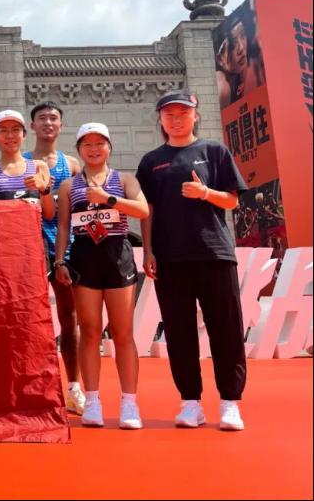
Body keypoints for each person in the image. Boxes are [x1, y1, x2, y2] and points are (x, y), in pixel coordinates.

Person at [137, 91, 248, 431]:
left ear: (195, 116)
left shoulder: (214, 151)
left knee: (226, 329)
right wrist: (148, 250)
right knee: (179, 332)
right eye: (169, 114)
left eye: (183, 113)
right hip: (171, 259)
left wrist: (206, 193)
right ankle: (190, 403)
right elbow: (147, 210)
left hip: (214, 253)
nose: (176, 119)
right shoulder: (151, 161)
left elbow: (232, 201)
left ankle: (230, 403)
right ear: (160, 119)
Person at [55, 122, 149, 429]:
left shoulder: (124, 179)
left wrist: (108, 199)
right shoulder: (69, 186)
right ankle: (93, 400)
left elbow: (142, 211)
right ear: (79, 149)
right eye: (87, 144)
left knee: (122, 333)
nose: (93, 149)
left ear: (109, 147)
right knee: (90, 330)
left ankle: (129, 402)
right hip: (85, 258)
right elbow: (64, 226)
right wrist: (59, 260)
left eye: (99, 143)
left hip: (117, 256)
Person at [24, 101, 85, 415]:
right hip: (28, 248)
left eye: (53, 118)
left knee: (69, 318)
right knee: (28, 320)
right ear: (32, 126)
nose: (48, 123)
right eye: (41, 118)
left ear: (61, 125)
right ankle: (32, 387)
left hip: (65, 247)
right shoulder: (20, 163)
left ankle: (74, 386)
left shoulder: (71, 164)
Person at [0, 110, 54, 218]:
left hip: (32, 229)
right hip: (0, 229)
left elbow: (49, 214)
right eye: (3, 131)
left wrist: (44, 189)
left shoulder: (39, 167)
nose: (10, 135)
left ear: (24, 135)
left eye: (15, 130)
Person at [215, 8, 266, 107]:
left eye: (243, 35)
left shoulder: (247, 71)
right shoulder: (222, 86)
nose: (241, 48)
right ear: (220, 59)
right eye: (233, 43)